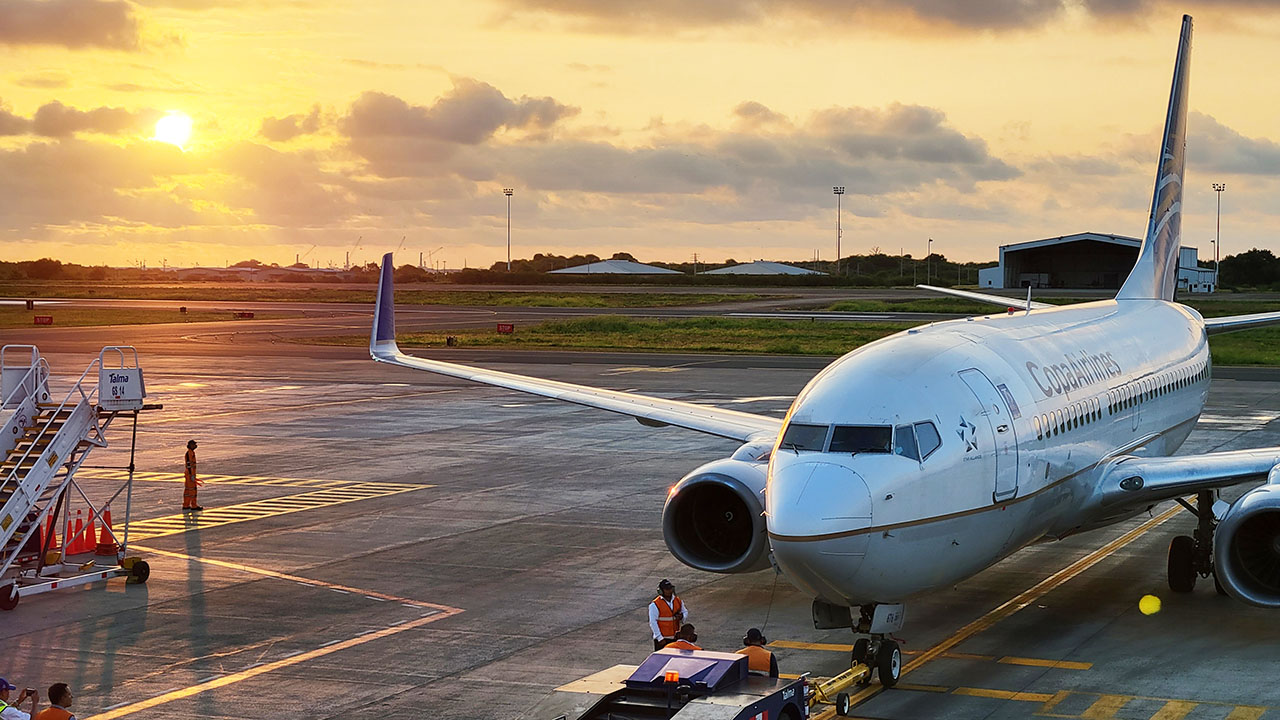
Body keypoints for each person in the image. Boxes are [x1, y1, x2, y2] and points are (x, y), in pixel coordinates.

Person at [648, 579, 687, 650]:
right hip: (663, 639)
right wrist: (660, 638)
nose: (669, 591)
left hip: (675, 638)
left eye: (670, 588)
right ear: (661, 591)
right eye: (667, 589)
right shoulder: (655, 604)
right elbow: (653, 622)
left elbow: (685, 612)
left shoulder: (677, 600)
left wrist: (682, 616)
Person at [183, 440, 203, 512]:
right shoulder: (189, 453)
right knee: (192, 491)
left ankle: (186, 505)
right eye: (194, 444)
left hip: (189, 474)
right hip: (190, 474)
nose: (195, 446)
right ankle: (194, 505)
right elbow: (189, 465)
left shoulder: (191, 452)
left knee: (188, 491)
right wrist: (192, 475)